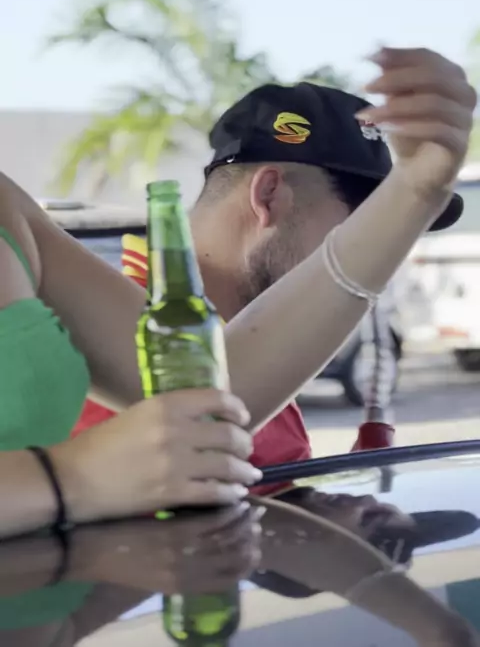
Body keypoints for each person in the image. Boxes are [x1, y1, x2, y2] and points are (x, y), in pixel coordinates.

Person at [0, 46, 475, 538]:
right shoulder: (168, 337)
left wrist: (416, 191)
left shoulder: (231, 344)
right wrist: (71, 480)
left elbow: (219, 400)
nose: (379, 254)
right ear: (267, 195)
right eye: (360, 228)